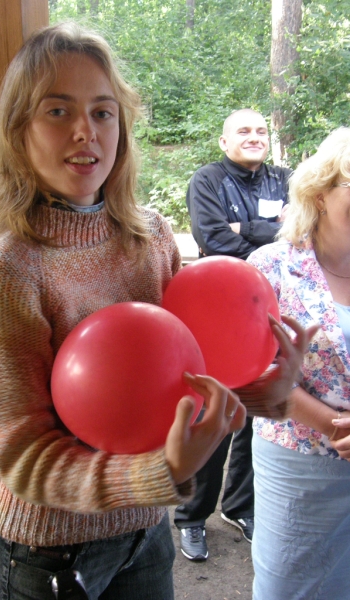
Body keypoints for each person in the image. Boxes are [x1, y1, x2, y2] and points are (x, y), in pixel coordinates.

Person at [0, 23, 313, 600]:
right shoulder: (6, 274)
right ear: (18, 128)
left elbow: (180, 380)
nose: (86, 131)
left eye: (103, 112)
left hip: (146, 536)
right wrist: (160, 473)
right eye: (57, 111)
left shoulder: (150, 237)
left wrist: (262, 394)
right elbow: (23, 459)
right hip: (48, 556)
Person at [176, 109, 292, 561]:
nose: (254, 137)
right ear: (224, 142)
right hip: (218, 312)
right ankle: (191, 516)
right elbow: (214, 239)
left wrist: (246, 229)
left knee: (255, 410)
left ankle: (240, 507)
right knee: (215, 408)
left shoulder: (285, 180)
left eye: (261, 130)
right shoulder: (207, 180)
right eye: (243, 131)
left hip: (268, 308)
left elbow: (299, 233)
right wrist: (270, 236)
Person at [247, 127, 350, 600]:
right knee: (291, 588)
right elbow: (248, 371)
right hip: (300, 465)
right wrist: (334, 425)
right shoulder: (270, 266)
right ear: (321, 193)